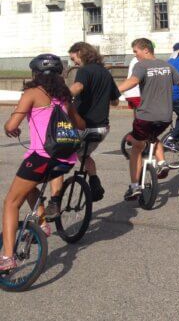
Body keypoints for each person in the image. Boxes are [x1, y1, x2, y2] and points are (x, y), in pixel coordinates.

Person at [1, 54, 85, 273]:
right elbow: (80, 124)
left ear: (35, 73)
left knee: (11, 202)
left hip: (40, 157)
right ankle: (41, 222)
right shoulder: (65, 96)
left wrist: (12, 127)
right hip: (65, 160)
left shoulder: (32, 93)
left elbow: (11, 126)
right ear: (59, 75)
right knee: (28, 188)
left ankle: (8, 257)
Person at [46, 42, 120, 211]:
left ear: (80, 52)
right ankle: (94, 181)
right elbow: (115, 101)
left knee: (57, 157)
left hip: (82, 126)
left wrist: (59, 99)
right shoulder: (106, 73)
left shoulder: (85, 71)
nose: (74, 63)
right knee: (84, 154)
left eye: (74, 59)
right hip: (101, 129)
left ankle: (55, 201)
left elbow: (77, 87)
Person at [117, 38, 179, 200]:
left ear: (146, 50)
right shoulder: (167, 65)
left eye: (136, 51)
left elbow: (133, 81)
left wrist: (113, 91)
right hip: (165, 117)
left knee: (137, 146)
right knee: (152, 137)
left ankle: (135, 186)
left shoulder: (140, 65)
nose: (135, 55)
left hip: (146, 116)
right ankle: (162, 162)